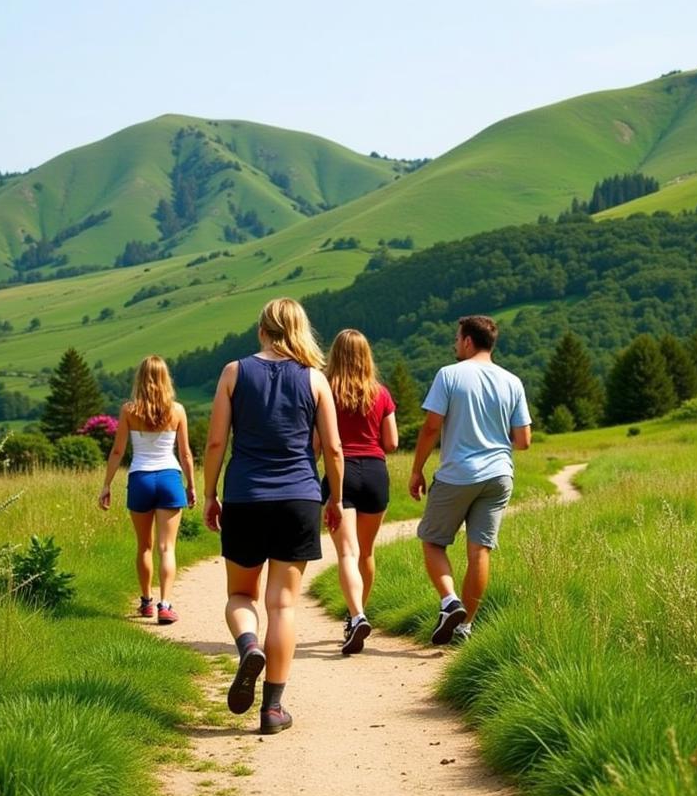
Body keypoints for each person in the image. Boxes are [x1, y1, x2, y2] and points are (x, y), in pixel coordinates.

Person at [204, 298, 343, 735]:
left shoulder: (234, 372)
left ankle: (248, 647)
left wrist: (209, 494)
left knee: (241, 596)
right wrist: (335, 499)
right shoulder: (315, 380)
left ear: (263, 329)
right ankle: (273, 709)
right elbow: (334, 449)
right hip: (299, 498)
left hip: (245, 497)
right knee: (282, 605)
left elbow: (214, 444)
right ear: (301, 330)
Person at [409, 316, 531, 646]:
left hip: (457, 475)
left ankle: (450, 602)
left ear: (467, 341)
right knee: (480, 551)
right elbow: (523, 441)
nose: (454, 343)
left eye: (456, 337)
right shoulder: (512, 382)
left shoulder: (449, 375)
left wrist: (417, 468)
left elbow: (432, 427)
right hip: (499, 475)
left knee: (433, 541)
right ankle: (465, 627)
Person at [99, 355, 196, 624]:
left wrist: (106, 485)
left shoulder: (130, 410)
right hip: (169, 478)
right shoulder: (177, 410)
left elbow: (118, 450)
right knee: (167, 548)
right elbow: (185, 454)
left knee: (144, 546)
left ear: (140, 379)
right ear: (166, 379)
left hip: (140, 478)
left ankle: (146, 602)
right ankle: (166, 604)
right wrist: (191, 486)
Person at [318, 329, 398, 655]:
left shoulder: (325, 392)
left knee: (347, 554)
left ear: (335, 355)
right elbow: (391, 443)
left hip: (341, 474)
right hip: (376, 474)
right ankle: (357, 616)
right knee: (366, 553)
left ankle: (357, 615)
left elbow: (313, 444)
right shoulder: (381, 393)